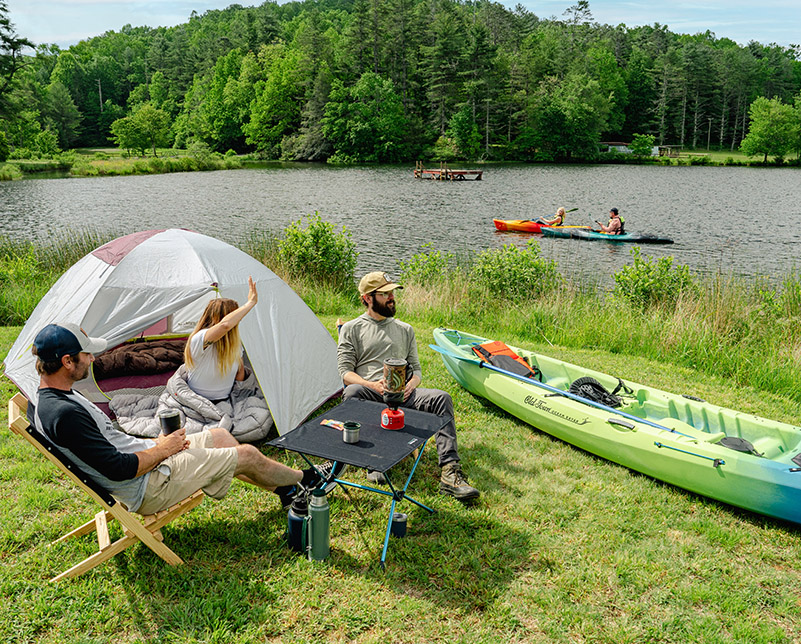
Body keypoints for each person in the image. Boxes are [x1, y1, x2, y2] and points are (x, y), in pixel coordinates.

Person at [30, 322, 338, 515]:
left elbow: (115, 448)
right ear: (67, 361)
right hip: (147, 486)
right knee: (244, 453)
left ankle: (286, 490)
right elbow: (119, 468)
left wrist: (154, 444)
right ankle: (308, 481)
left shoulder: (52, 398)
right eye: (86, 355)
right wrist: (163, 448)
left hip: (148, 463)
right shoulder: (64, 415)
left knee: (220, 437)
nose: (93, 358)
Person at [337, 271, 480, 501]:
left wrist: (411, 385)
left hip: (402, 394)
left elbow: (417, 370)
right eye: (384, 294)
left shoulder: (405, 330)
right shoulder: (353, 329)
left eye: (392, 292)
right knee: (352, 391)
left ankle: (450, 472)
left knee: (441, 398)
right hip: (371, 394)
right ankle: (371, 456)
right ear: (367, 298)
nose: (391, 297)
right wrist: (371, 385)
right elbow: (345, 373)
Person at [184, 276, 257, 401]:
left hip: (224, 399)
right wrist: (250, 303)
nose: (238, 320)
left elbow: (240, 375)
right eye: (236, 316)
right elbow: (225, 326)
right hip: (196, 399)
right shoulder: (199, 338)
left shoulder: (235, 344)